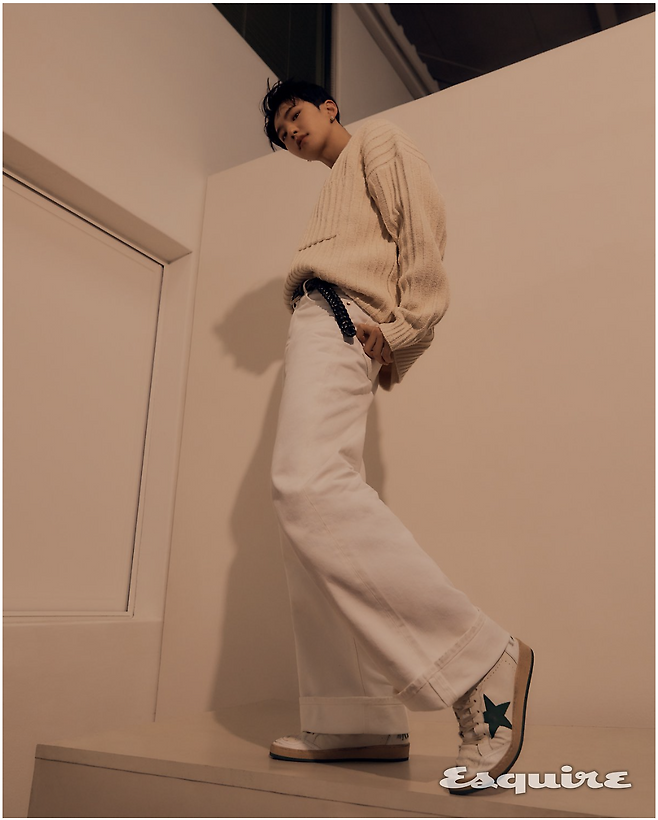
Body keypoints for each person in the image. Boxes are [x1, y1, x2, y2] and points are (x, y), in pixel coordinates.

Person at [261, 79, 533, 793]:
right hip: (319, 317)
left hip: (344, 314)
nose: (291, 132)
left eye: (294, 115)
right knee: (305, 519)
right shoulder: (337, 183)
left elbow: (422, 231)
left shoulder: (378, 141)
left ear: (329, 106)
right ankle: (351, 713)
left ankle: (478, 659)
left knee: (306, 486)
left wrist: (409, 326)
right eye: (281, 132)